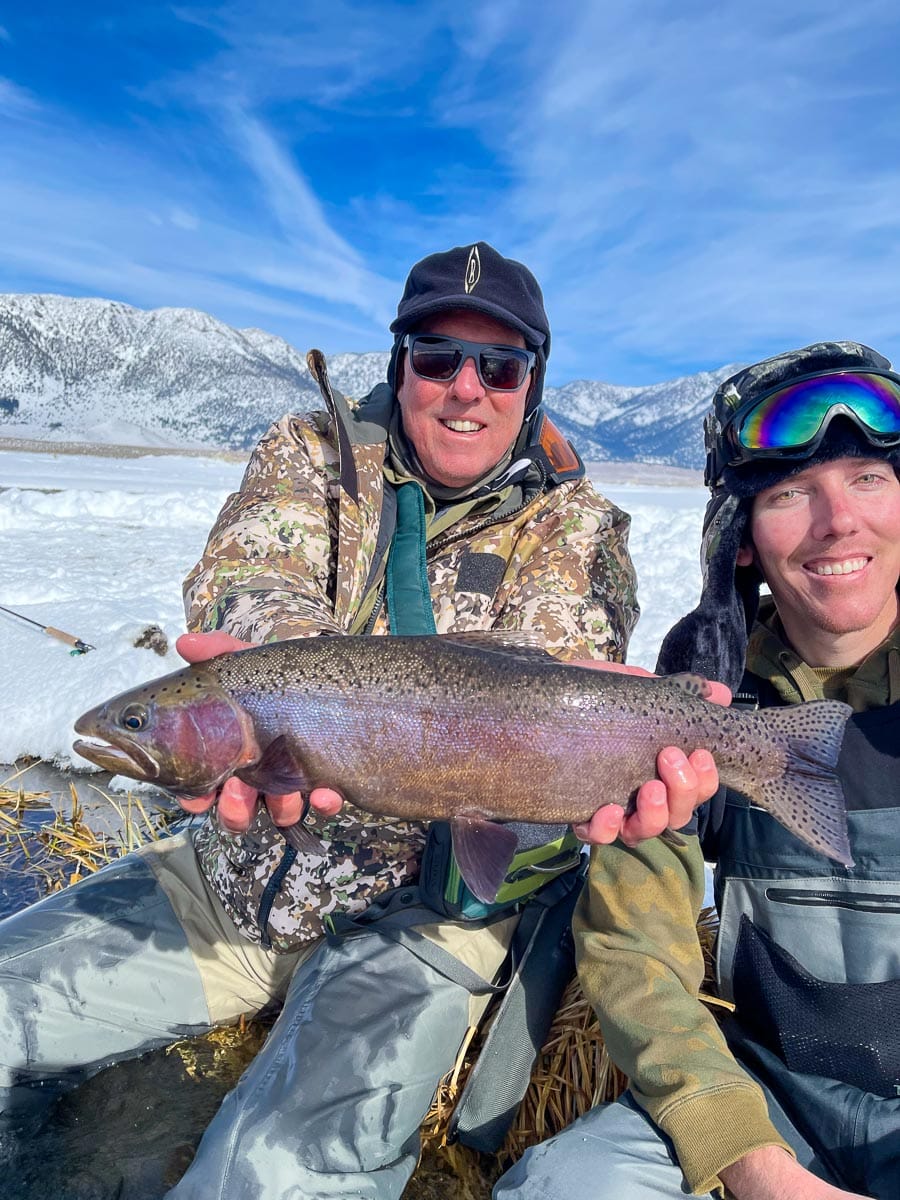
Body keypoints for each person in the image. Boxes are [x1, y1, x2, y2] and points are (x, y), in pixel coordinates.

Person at [0, 242, 718, 1200]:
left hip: (423, 922)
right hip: (231, 884)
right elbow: (248, 583)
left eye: (499, 368)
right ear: (400, 365)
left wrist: (608, 752)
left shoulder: (577, 527)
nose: (467, 389)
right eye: (437, 358)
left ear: (532, 383)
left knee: (267, 1181)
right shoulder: (310, 455)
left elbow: (561, 659)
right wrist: (281, 690)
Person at [494, 340, 900, 1200]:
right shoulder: (697, 711)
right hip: (765, 1104)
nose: (838, 522)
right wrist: (747, 1159)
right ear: (741, 541)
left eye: (869, 477)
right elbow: (636, 950)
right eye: (790, 493)